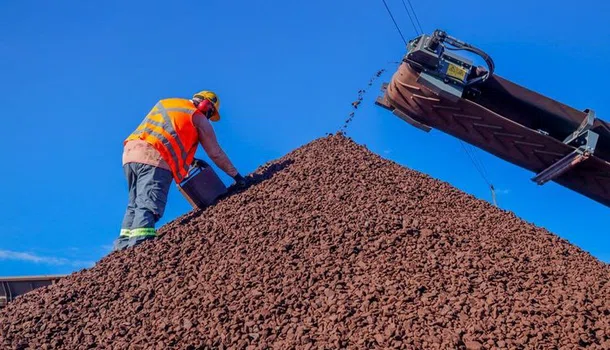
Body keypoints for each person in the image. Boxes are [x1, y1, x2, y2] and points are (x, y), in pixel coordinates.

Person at [113, 90, 246, 251]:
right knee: (148, 203)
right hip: (155, 159)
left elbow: (166, 132)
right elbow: (215, 153)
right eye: (210, 114)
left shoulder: (169, 103)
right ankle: (142, 245)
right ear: (206, 105)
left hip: (130, 155)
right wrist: (237, 177)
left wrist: (190, 159)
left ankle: (122, 248)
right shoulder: (197, 116)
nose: (209, 118)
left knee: (134, 204)